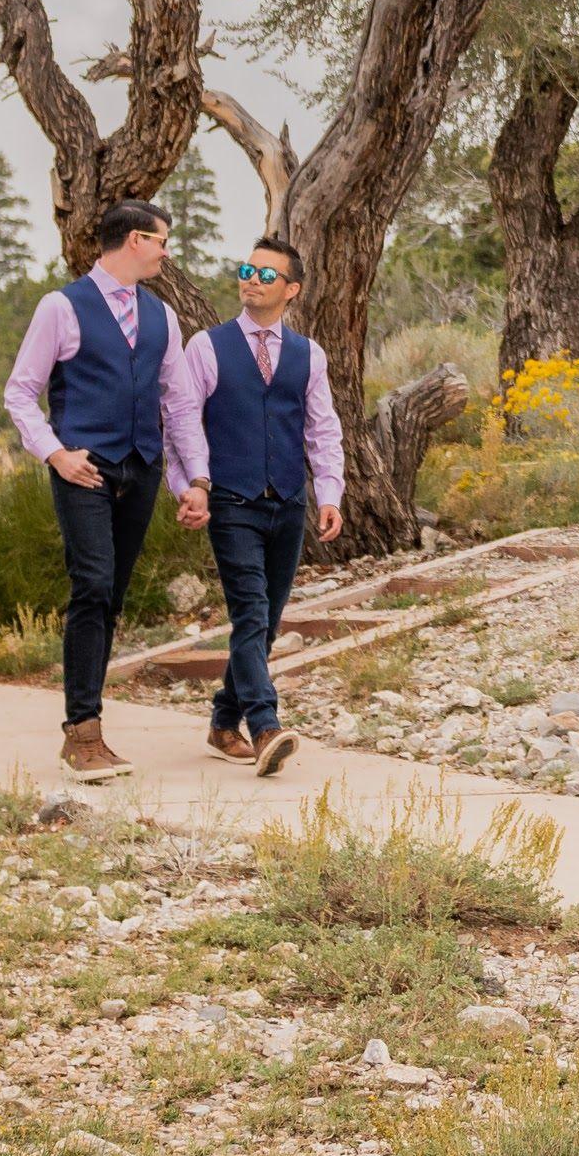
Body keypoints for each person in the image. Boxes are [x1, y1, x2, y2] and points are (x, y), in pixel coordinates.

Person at [1, 199, 179, 781]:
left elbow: (176, 401)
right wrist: (54, 453)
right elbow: (20, 393)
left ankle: (90, 730)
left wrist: (191, 477)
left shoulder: (163, 316)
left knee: (114, 596)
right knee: (92, 586)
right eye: (160, 241)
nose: (165, 251)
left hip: (142, 467)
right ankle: (82, 732)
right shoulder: (61, 306)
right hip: (84, 468)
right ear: (133, 240)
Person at [165, 231, 344, 769]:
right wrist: (190, 486)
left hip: (288, 502)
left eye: (266, 275)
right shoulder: (207, 346)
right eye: (247, 271)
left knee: (266, 622)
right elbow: (180, 424)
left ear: (291, 289)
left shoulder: (309, 355)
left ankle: (223, 723)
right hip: (232, 501)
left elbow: (322, 430)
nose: (252, 281)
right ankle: (265, 726)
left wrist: (329, 493)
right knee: (250, 611)